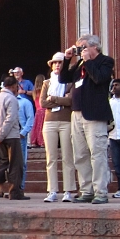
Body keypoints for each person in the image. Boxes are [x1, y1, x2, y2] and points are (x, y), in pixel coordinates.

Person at [59, 34, 115, 204]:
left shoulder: (105, 61)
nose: (80, 51)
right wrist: (67, 60)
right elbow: (63, 79)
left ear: (94, 47)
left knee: (97, 154)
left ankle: (100, 192)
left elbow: (99, 78)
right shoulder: (80, 64)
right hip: (77, 113)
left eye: (83, 47)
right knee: (80, 154)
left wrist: (89, 61)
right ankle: (86, 190)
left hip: (95, 114)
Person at [41, 54, 76, 203]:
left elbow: (71, 101)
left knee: (67, 156)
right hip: (49, 121)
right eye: (54, 63)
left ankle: (68, 190)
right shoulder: (47, 83)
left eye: (60, 63)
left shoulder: (70, 82)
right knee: (51, 158)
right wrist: (62, 101)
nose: (57, 65)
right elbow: (43, 102)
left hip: (66, 121)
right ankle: (52, 190)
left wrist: (54, 99)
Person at [16, 82, 35, 191]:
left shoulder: (25, 102)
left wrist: (23, 133)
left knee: (22, 162)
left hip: (20, 134)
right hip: (7, 135)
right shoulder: (5, 100)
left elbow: (30, 119)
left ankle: (20, 187)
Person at [30, 74, 46, 148]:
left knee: (37, 127)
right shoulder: (44, 90)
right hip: (44, 110)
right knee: (42, 127)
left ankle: (35, 142)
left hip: (37, 111)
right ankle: (42, 142)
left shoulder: (34, 91)